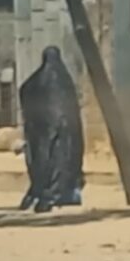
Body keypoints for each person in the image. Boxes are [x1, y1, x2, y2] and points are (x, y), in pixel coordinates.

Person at [18, 46, 85, 213]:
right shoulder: (65, 81)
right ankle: (58, 194)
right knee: (65, 162)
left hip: (45, 133)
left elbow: (25, 91)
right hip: (66, 132)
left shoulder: (38, 81)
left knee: (44, 162)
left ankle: (44, 194)